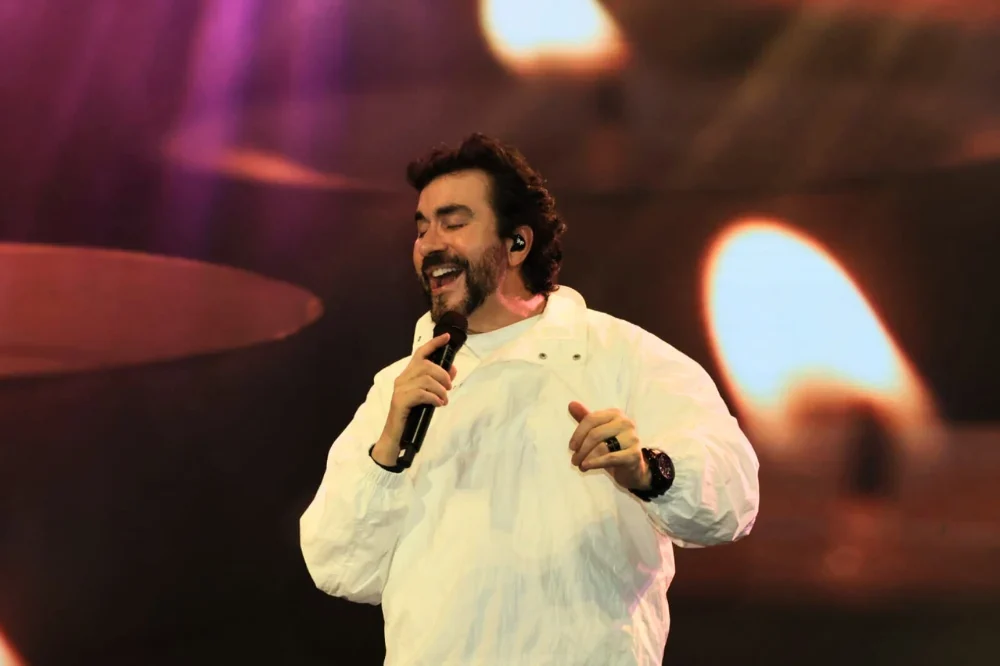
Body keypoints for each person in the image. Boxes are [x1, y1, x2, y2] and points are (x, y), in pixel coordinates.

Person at [300, 134, 760, 665]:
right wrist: (387, 452)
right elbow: (338, 568)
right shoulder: (397, 388)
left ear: (517, 243)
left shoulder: (622, 355)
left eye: (453, 223)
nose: (429, 244)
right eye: (422, 228)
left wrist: (648, 470)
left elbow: (735, 499)